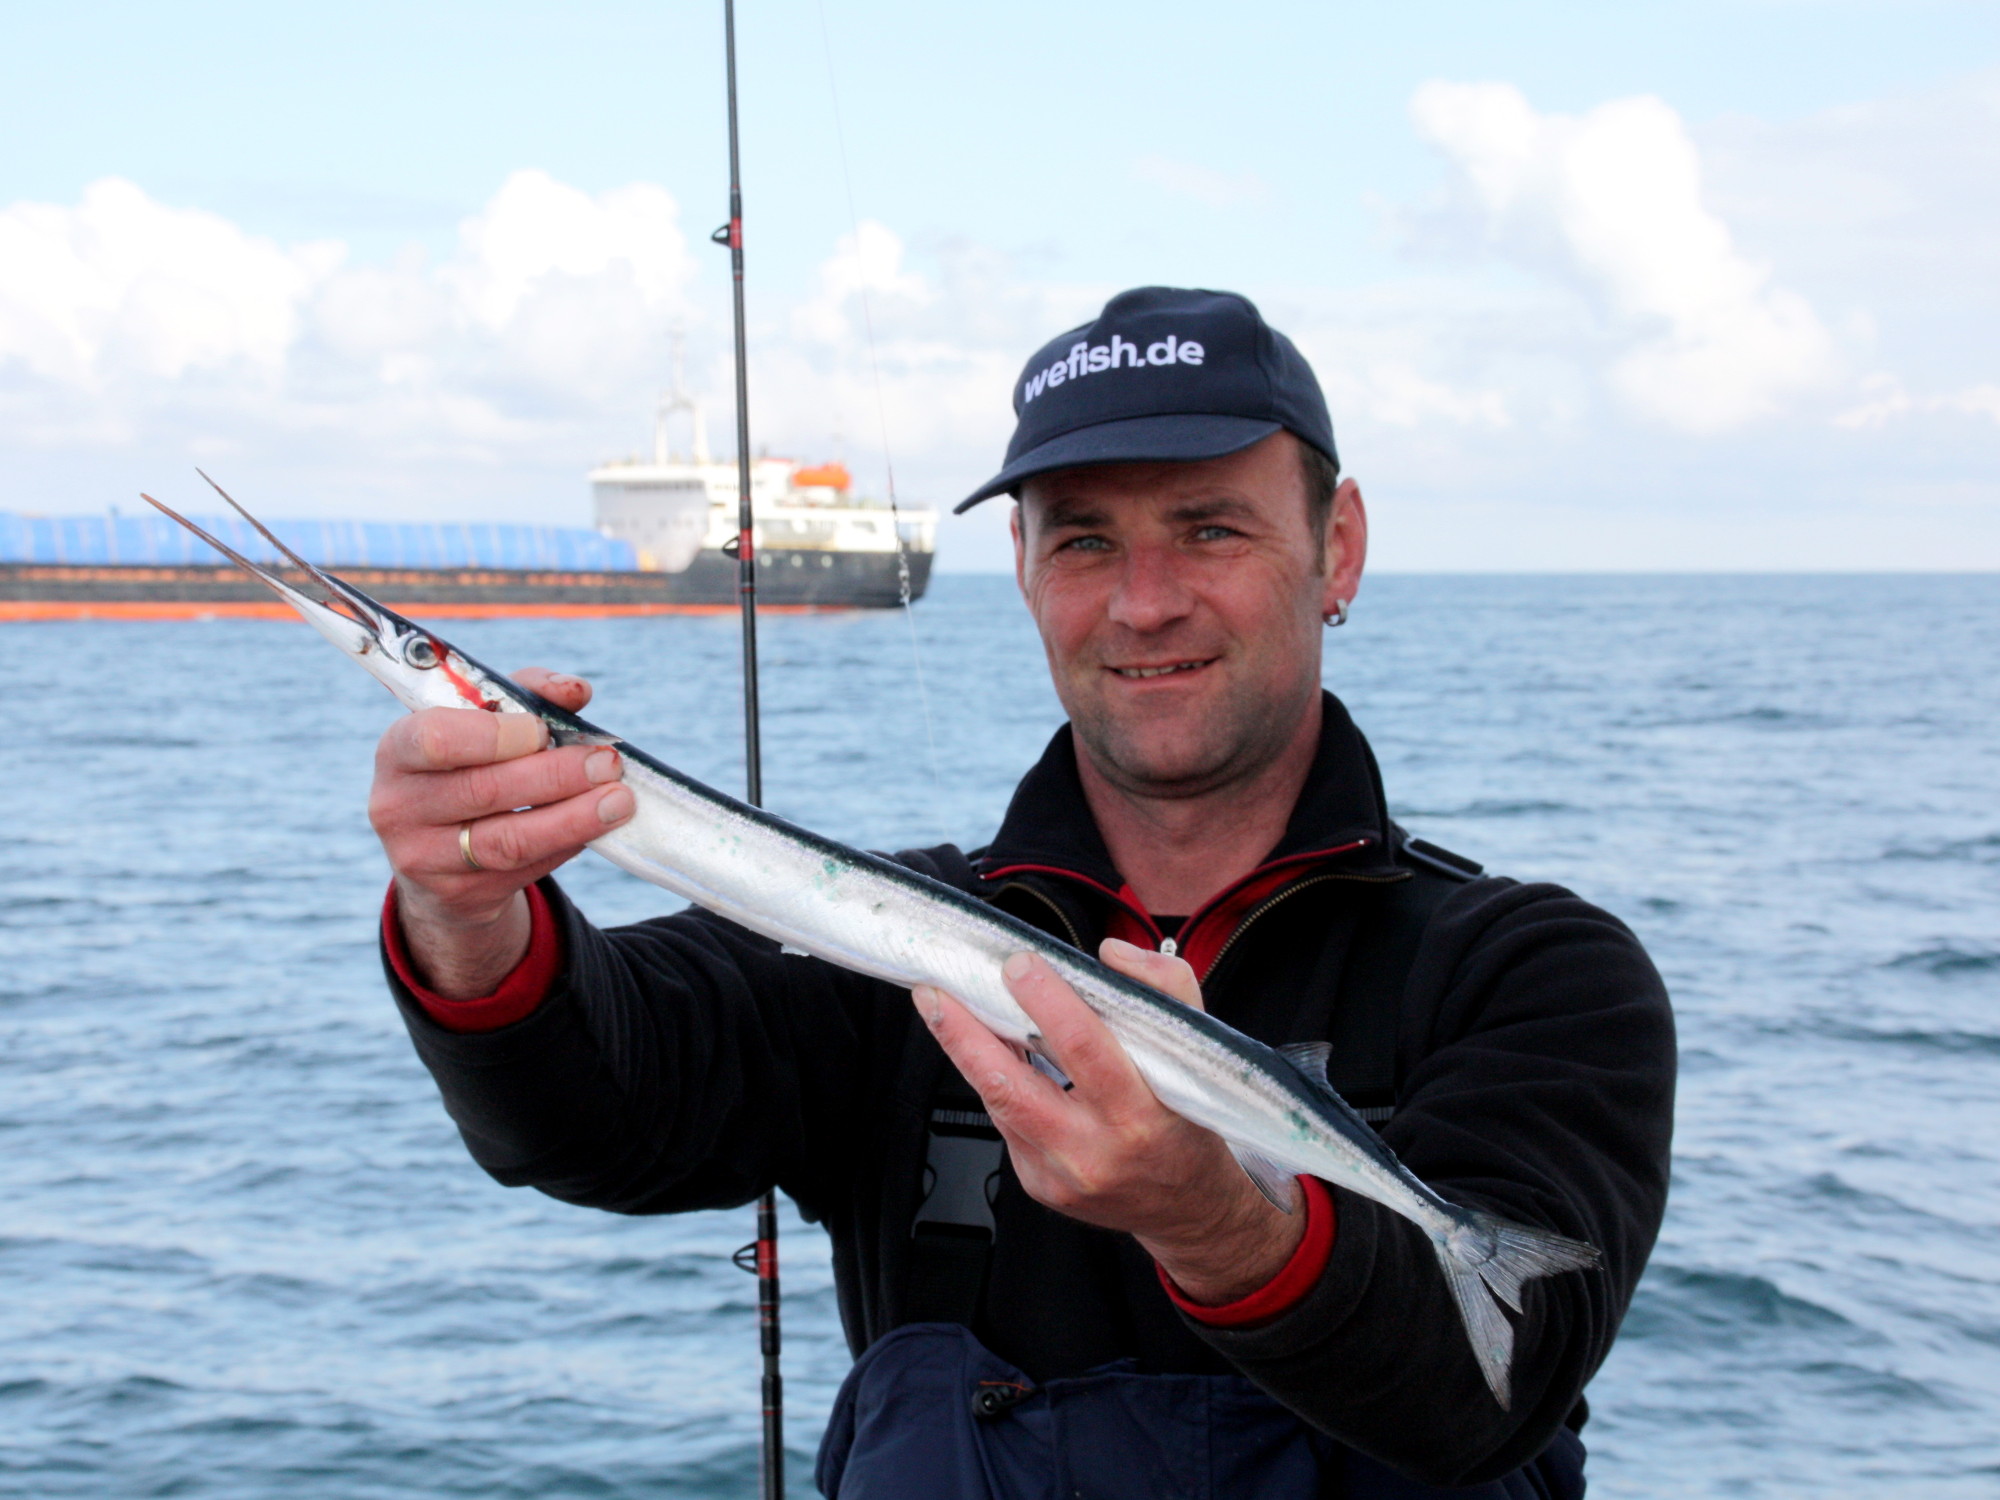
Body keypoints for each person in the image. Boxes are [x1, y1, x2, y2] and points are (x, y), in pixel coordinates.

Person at [368, 287, 1675, 1498]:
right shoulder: (883, 948)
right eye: (1085, 539)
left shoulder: (1535, 973)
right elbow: (589, 1111)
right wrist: (470, 917)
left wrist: (1216, 1219)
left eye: (1209, 529)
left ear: (1338, 549)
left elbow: (1490, 1389)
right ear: (1025, 565)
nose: (1143, 603)